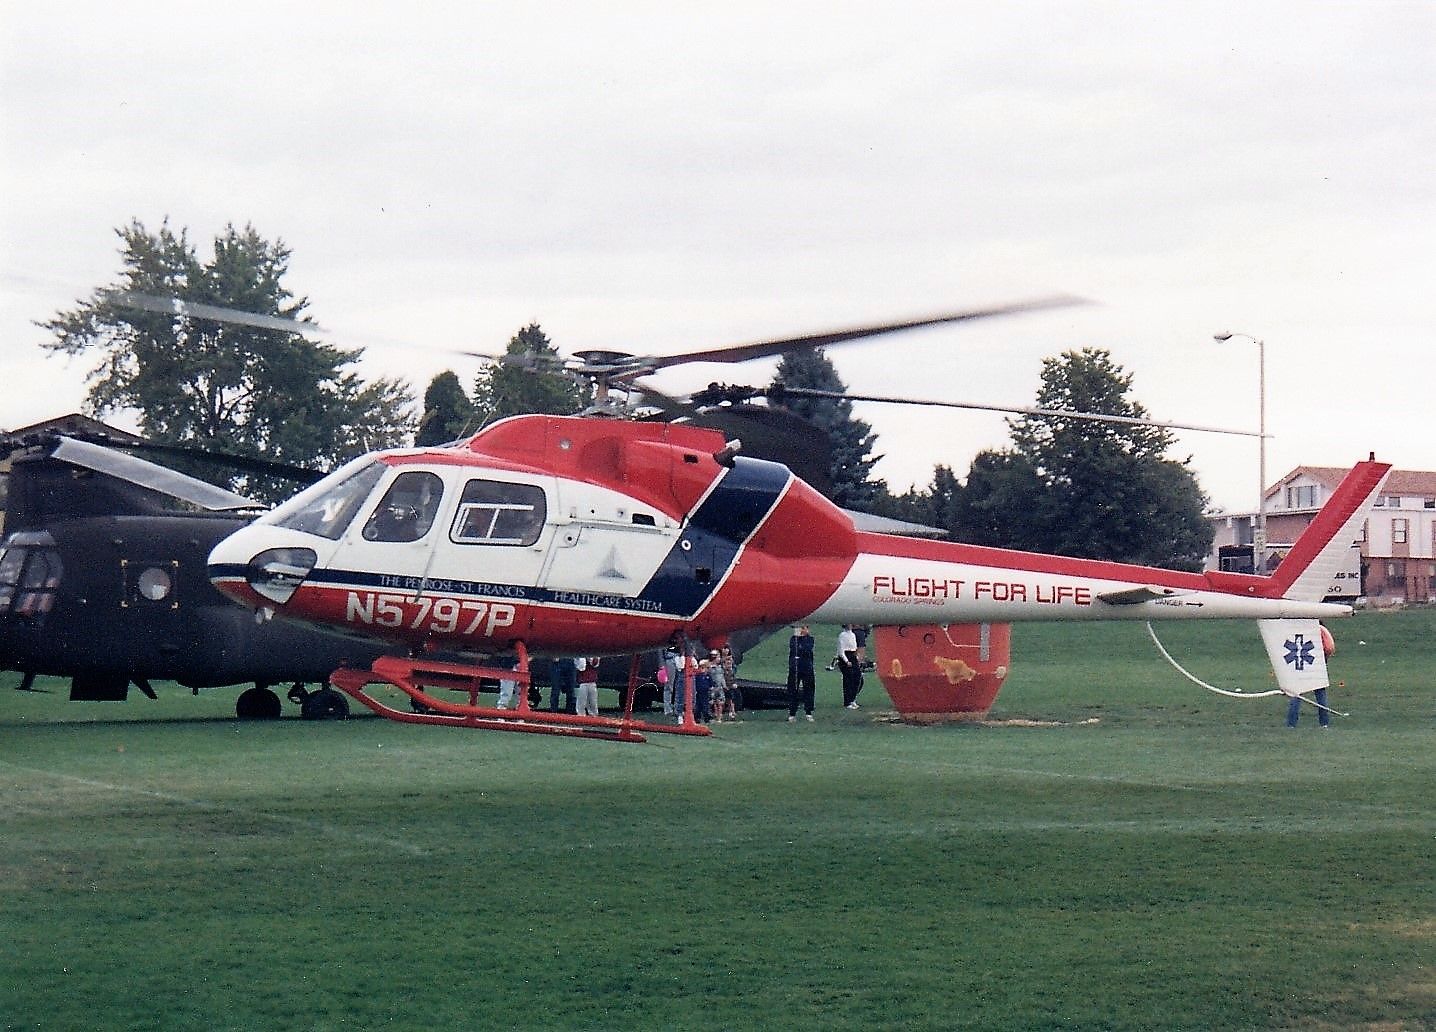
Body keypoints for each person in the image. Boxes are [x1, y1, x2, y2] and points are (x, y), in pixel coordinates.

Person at [787, 624, 816, 722]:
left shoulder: (810, 639)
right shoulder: (793, 639)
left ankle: (808, 712)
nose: (803, 630)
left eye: (805, 628)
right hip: (795, 668)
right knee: (793, 689)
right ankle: (792, 713)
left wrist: (801, 644)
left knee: (808, 689)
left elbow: (806, 649)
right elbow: (794, 649)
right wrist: (797, 638)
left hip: (807, 667)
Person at [837, 624, 862, 709]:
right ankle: (847, 701)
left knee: (857, 677)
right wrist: (846, 661)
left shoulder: (853, 634)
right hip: (846, 657)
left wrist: (857, 657)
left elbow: (855, 647)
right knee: (848, 679)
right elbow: (841, 650)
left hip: (853, 655)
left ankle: (852, 699)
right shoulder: (842, 635)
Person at [694, 658, 713, 724]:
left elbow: (711, 683)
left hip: (705, 692)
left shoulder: (708, 676)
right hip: (698, 692)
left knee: (705, 705)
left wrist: (711, 687)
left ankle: (707, 718)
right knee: (698, 706)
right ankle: (697, 718)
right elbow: (695, 683)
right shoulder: (697, 676)